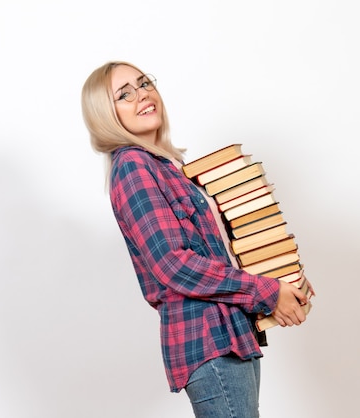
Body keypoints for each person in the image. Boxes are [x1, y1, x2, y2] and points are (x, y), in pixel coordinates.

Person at [81, 61, 314, 418]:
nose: (142, 94)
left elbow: (218, 251)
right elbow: (173, 265)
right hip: (207, 339)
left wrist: (280, 282)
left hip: (231, 333)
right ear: (105, 115)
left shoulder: (164, 166)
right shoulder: (133, 167)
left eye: (144, 83)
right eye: (124, 94)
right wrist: (266, 293)